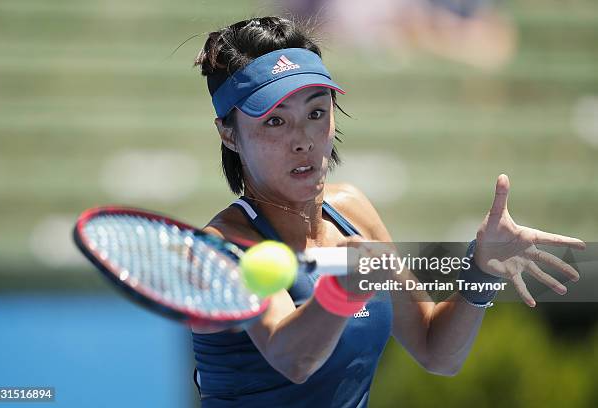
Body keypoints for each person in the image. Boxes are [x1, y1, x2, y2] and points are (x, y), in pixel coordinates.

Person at [191, 16, 585, 407]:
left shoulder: (353, 211)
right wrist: (342, 291)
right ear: (229, 133)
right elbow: (293, 359)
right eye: (275, 121)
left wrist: (481, 271)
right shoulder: (223, 246)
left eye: (316, 113)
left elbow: (437, 352)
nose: (303, 141)